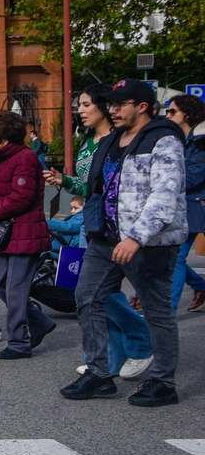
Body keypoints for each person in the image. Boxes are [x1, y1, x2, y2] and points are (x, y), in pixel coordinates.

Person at [61, 79, 188, 406]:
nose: (112, 109)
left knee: (157, 310)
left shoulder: (163, 140)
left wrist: (136, 237)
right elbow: (99, 188)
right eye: (110, 104)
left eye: (120, 104)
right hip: (106, 237)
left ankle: (163, 382)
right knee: (87, 296)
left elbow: (165, 196)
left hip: (150, 243)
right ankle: (99, 374)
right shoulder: (113, 139)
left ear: (142, 106)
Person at [46, 85, 153, 380]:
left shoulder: (118, 140)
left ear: (106, 107)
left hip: (114, 227)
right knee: (93, 294)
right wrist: (63, 181)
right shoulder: (88, 141)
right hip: (91, 223)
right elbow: (87, 185)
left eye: (85, 105)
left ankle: (139, 340)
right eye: (79, 105)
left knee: (101, 294)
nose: (80, 110)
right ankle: (110, 360)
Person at [0, 111, 54, 359]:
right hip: (8, 234)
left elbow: (21, 196)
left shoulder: (26, 158)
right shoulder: (4, 158)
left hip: (24, 233)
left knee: (15, 290)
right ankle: (39, 321)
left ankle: (19, 342)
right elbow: (4, 189)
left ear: (3, 137)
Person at [163, 94, 205, 312]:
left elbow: (196, 176)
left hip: (198, 204)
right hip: (189, 206)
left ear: (187, 114)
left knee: (176, 257)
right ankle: (199, 287)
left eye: (172, 111)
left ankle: (168, 310)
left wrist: (166, 178)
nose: (167, 115)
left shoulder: (201, 141)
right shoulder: (179, 139)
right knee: (176, 256)